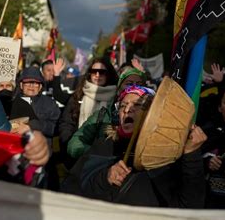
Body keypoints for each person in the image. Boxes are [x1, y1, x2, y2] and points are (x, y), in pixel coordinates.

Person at [62, 85, 207, 208]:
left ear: (153, 114)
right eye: (123, 105)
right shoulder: (103, 146)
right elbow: (69, 190)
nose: (127, 110)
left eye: (137, 105)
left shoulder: (167, 154)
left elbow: (190, 205)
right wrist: (104, 178)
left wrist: (192, 155)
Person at [65, 67, 146, 161]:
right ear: (119, 89)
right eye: (129, 84)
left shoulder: (154, 117)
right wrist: (100, 155)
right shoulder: (103, 115)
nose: (134, 87)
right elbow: (74, 145)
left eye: (139, 85)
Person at [10, 66, 61, 190]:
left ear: (40, 86)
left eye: (35, 83)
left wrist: (32, 125)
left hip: (41, 156)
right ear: (21, 85)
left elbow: (57, 127)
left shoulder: (50, 104)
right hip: (15, 157)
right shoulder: (11, 102)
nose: (31, 86)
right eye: (28, 82)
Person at [58, 58, 118, 157]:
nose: (97, 75)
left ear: (109, 74)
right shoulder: (79, 94)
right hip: (77, 152)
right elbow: (66, 123)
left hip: (105, 154)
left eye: (102, 72)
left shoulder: (116, 97)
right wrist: (70, 143)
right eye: (94, 71)